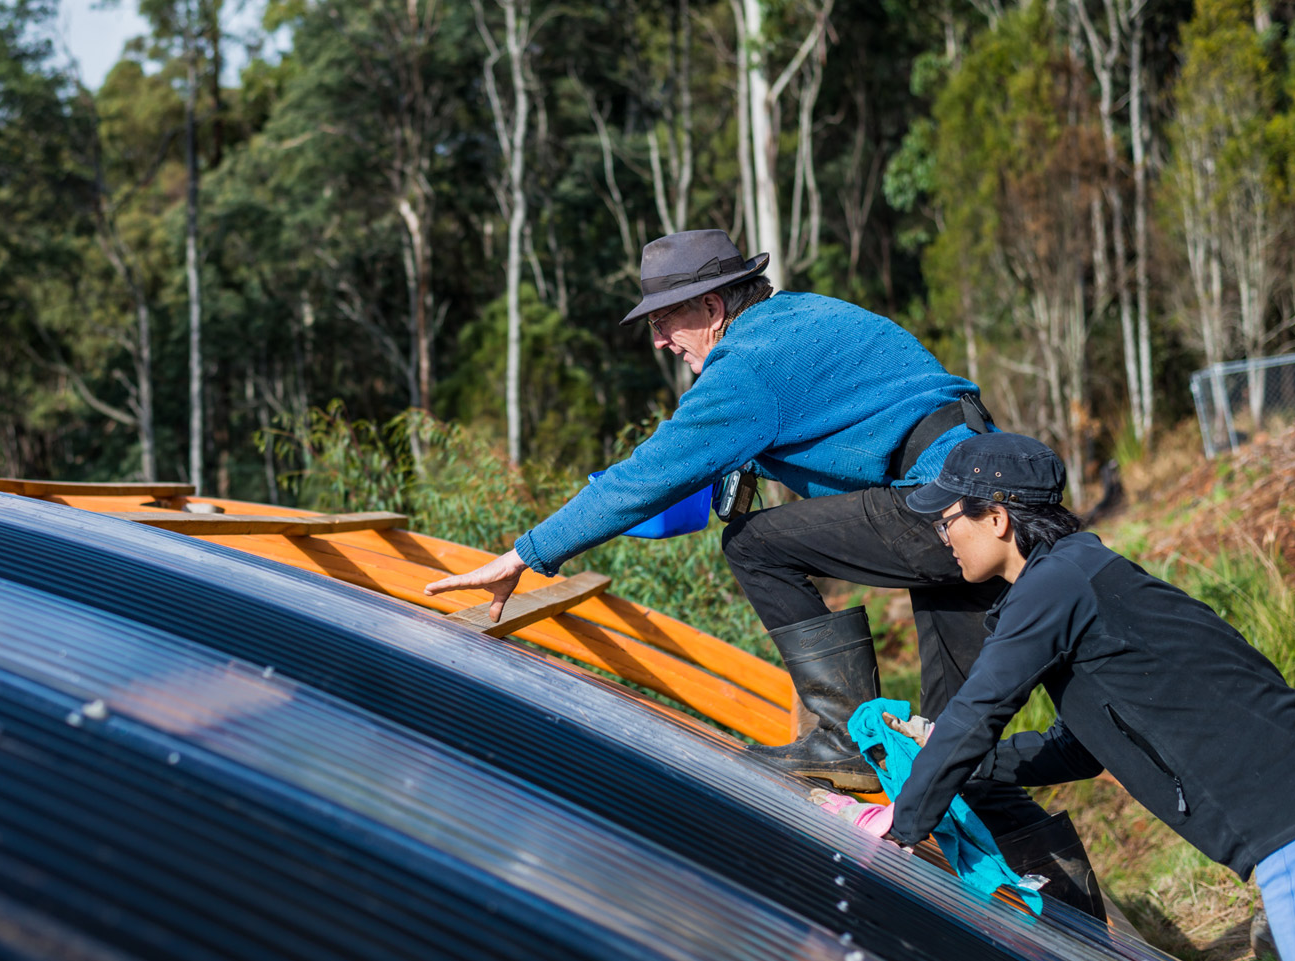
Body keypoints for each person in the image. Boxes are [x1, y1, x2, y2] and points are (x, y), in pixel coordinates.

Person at [424, 228, 1094, 909]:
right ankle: (1080, 917)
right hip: (978, 501)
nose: (660, 339)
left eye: (665, 320)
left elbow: (644, 479)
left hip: (940, 508)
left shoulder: (745, 367)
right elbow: (686, 482)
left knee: (752, 544)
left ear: (712, 308)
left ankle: (842, 735)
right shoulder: (794, 321)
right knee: (952, 751)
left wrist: (523, 555)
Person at [876, 432, 1295, 953]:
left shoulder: (1056, 586)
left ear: (996, 519)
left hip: (1281, 816)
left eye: (947, 521)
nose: (943, 536)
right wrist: (953, 758)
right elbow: (1078, 748)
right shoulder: (1075, 579)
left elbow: (980, 706)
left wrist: (900, 832)